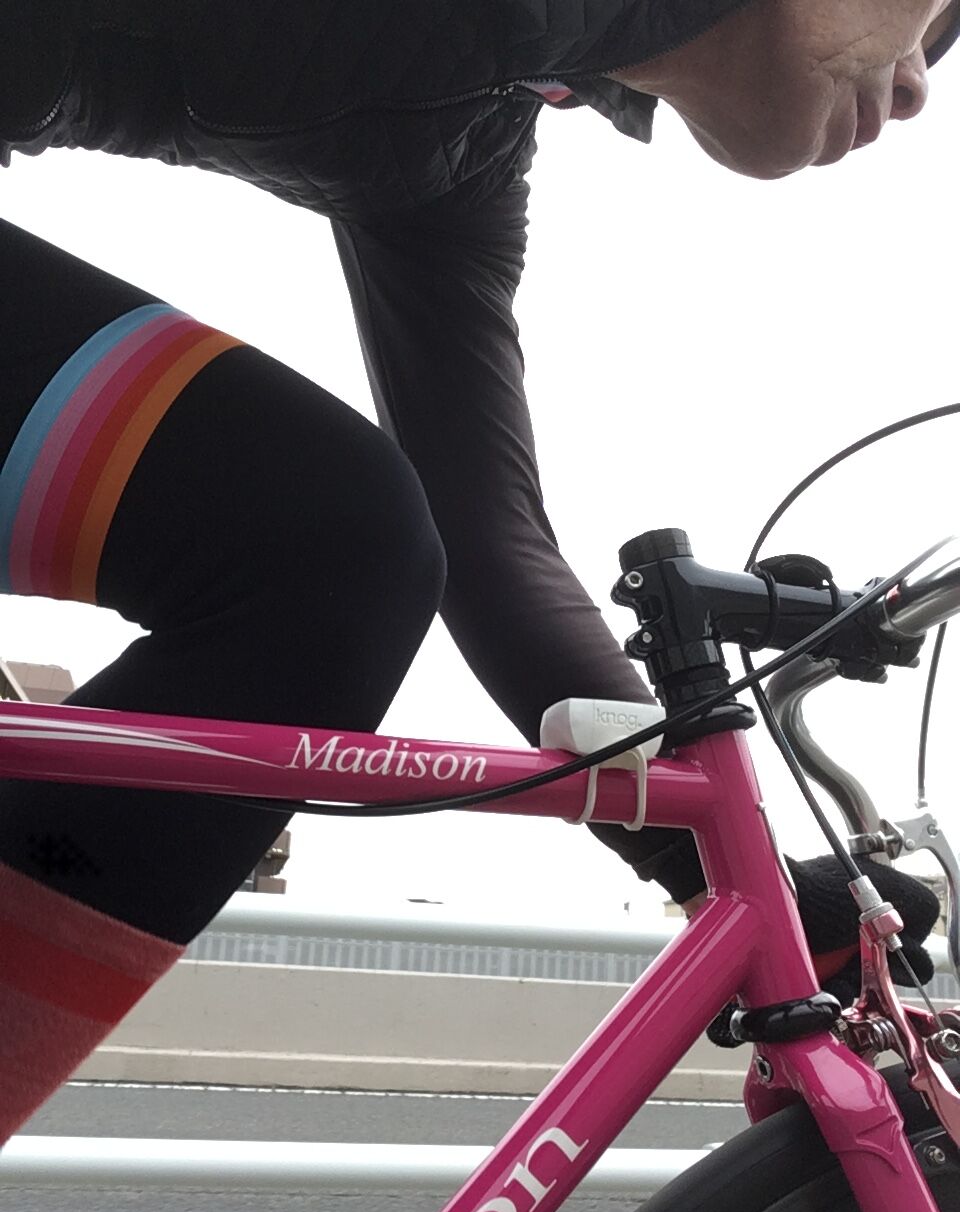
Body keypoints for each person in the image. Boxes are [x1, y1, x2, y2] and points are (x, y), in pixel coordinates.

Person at [0, 0, 956, 1144]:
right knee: (325, 532)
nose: (918, 84)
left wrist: (724, 867)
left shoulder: (463, 135)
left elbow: (487, 540)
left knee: (334, 555)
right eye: (928, 17)